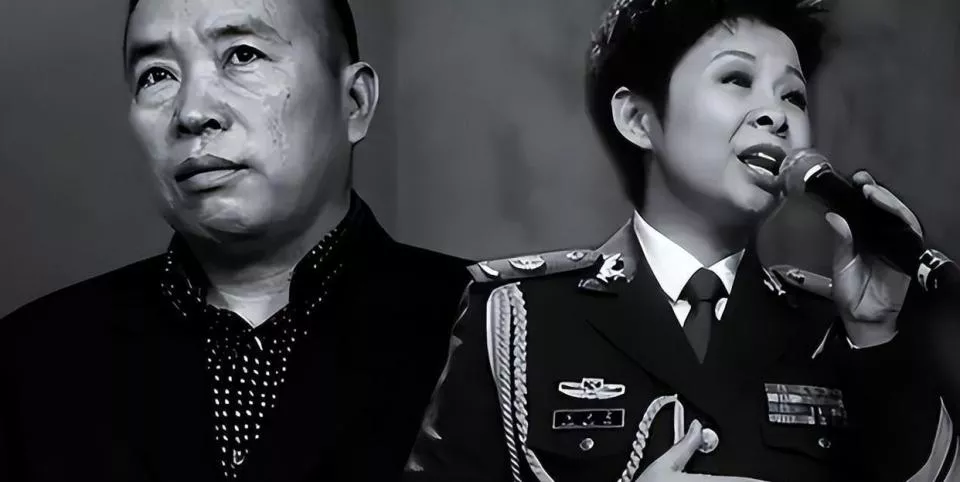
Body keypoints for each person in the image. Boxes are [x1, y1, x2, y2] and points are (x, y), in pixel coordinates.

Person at [404, 0, 956, 480]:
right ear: (638, 119)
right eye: (736, 79)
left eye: (793, 96)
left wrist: (876, 334)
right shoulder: (520, 318)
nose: (776, 116)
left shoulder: (833, 327)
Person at [0, 0, 470, 480]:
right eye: (156, 75)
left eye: (243, 55)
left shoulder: (482, 335)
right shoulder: (32, 361)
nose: (193, 112)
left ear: (354, 102)